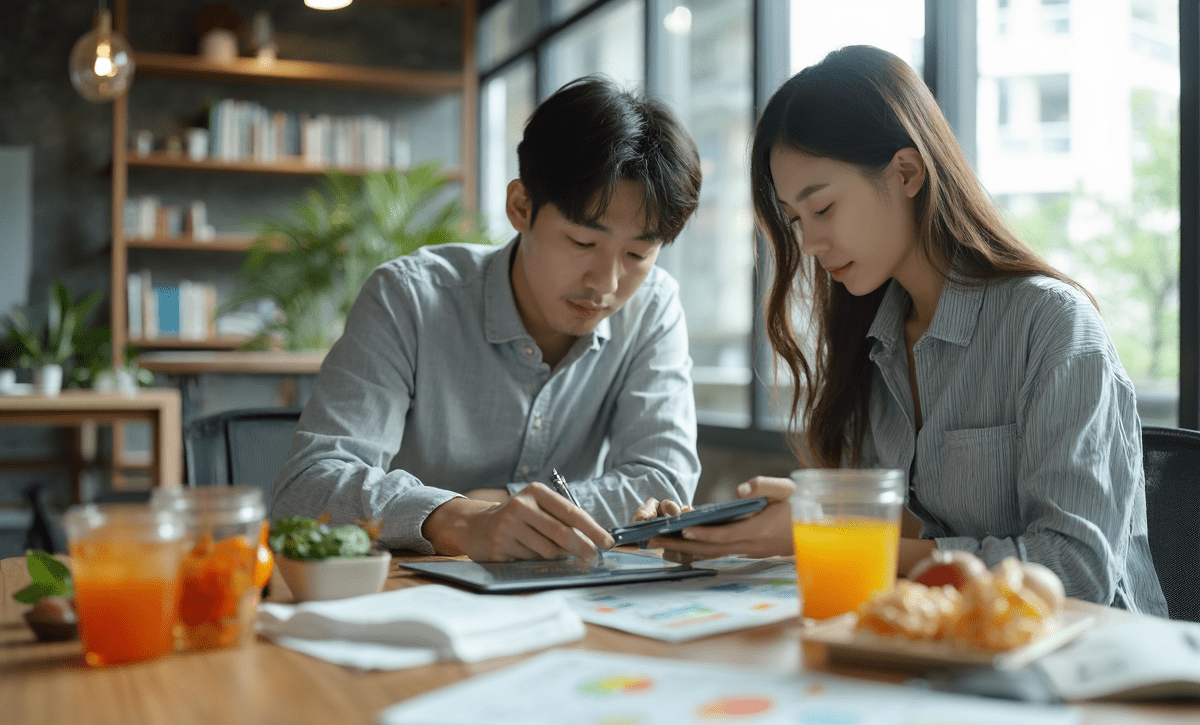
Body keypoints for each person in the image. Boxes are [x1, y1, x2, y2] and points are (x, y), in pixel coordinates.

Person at [652, 45, 1167, 615]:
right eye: (796, 221)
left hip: (1078, 668)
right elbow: (911, 530)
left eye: (821, 208)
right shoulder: (872, 340)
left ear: (906, 172)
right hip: (941, 653)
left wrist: (848, 542)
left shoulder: (1051, 326)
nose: (811, 244)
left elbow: (1076, 571)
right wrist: (807, 517)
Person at [272, 75, 704, 563]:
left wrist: (503, 506)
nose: (606, 284)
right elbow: (310, 485)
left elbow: (661, 480)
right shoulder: (409, 297)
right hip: (409, 593)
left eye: (637, 254)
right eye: (583, 243)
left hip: (566, 598)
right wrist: (460, 520)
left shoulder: (653, 307)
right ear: (521, 206)